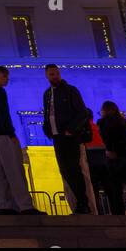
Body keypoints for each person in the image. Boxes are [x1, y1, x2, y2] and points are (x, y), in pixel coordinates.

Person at [0, 66, 43, 215]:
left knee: (0, 171)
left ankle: (4, 204)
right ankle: (25, 205)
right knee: (14, 170)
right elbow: (3, 114)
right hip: (3, 135)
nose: (7, 79)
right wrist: (11, 133)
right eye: (4, 76)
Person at [41, 64, 91, 214]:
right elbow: (47, 113)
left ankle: (83, 203)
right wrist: (47, 130)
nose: (54, 76)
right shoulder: (47, 94)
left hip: (69, 136)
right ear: (47, 76)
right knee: (65, 171)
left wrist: (71, 129)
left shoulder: (70, 91)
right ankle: (80, 203)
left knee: (74, 169)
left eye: (56, 73)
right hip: (57, 137)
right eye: (51, 74)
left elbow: (83, 112)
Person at [96, 101, 126, 215]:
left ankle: (118, 212)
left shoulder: (104, 123)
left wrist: (111, 151)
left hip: (114, 158)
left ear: (105, 110)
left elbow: (105, 140)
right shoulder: (124, 122)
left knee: (116, 187)